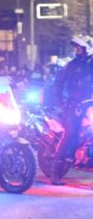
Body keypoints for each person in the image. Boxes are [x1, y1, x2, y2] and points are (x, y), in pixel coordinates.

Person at [51, 35, 93, 185]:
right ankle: (56, 173)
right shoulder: (72, 65)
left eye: (79, 47)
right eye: (76, 47)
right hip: (74, 105)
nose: (77, 50)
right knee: (71, 134)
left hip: (90, 104)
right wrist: (60, 104)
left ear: (87, 48)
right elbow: (58, 83)